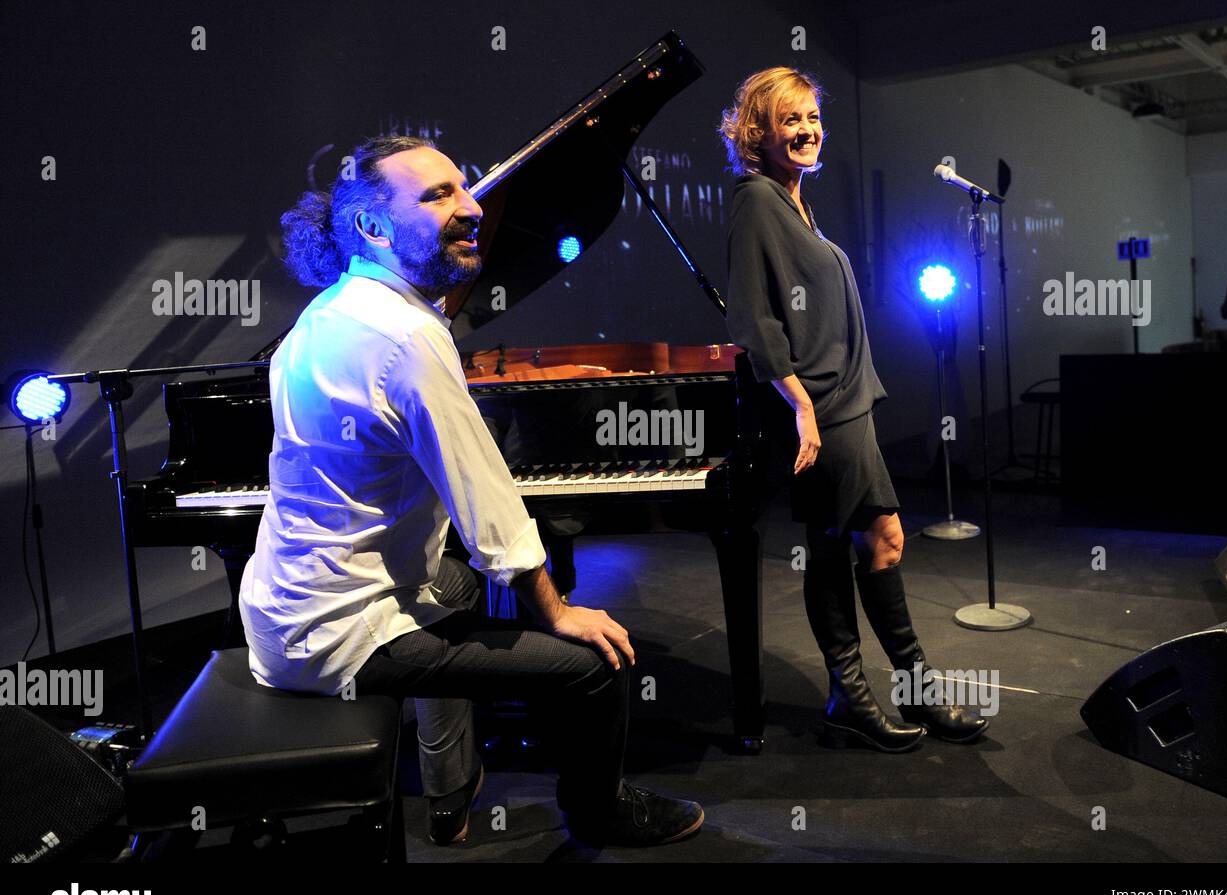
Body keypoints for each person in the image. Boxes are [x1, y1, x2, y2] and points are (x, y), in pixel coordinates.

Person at [239, 135, 703, 847]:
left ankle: (450, 781)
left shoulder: (325, 315)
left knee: (453, 585)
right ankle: (599, 810)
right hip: (340, 636)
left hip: (279, 612)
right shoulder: (408, 336)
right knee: (596, 660)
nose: (472, 206)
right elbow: (490, 509)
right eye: (437, 195)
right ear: (372, 227)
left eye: (465, 187)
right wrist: (557, 611)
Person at [718, 68, 989, 752]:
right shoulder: (756, 201)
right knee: (862, 542)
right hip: (821, 408)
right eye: (789, 120)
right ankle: (877, 692)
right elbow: (753, 323)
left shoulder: (794, 201)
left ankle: (871, 695)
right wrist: (803, 410)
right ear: (759, 132)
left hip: (845, 401)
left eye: (811, 116)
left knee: (854, 544)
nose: (806, 129)